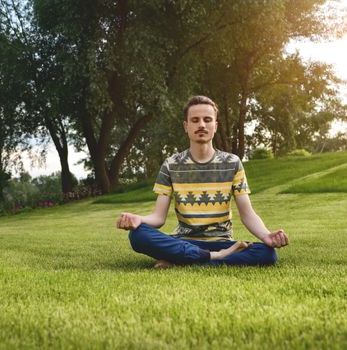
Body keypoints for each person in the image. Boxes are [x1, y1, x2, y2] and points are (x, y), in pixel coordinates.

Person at [116, 95, 289, 267]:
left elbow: (248, 214)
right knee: (137, 235)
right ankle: (214, 258)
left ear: (215, 126)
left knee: (267, 253)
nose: (201, 125)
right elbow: (158, 218)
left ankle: (184, 261)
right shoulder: (171, 165)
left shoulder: (232, 163)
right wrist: (138, 219)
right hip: (184, 241)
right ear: (186, 126)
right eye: (195, 120)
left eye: (207, 120)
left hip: (221, 241)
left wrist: (266, 236)